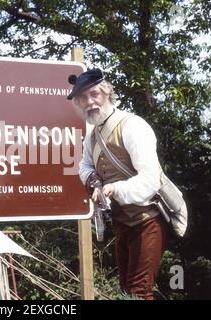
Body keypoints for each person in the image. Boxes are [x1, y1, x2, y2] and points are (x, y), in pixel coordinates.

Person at [67, 68, 169, 300]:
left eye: (94, 94)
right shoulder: (93, 135)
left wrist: (115, 188)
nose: (89, 102)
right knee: (126, 290)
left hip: (148, 219)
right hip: (123, 222)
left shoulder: (132, 126)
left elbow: (150, 178)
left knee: (138, 291)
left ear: (107, 94)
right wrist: (92, 180)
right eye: (83, 98)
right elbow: (84, 166)